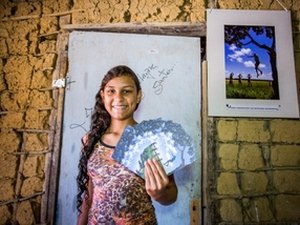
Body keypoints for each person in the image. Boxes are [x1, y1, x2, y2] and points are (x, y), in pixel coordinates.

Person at [76, 65, 178, 225]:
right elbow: (88, 198)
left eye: (127, 91)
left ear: (138, 96)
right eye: (111, 91)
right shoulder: (90, 141)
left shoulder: (153, 141)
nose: (119, 98)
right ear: (103, 96)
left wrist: (160, 194)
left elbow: (172, 194)